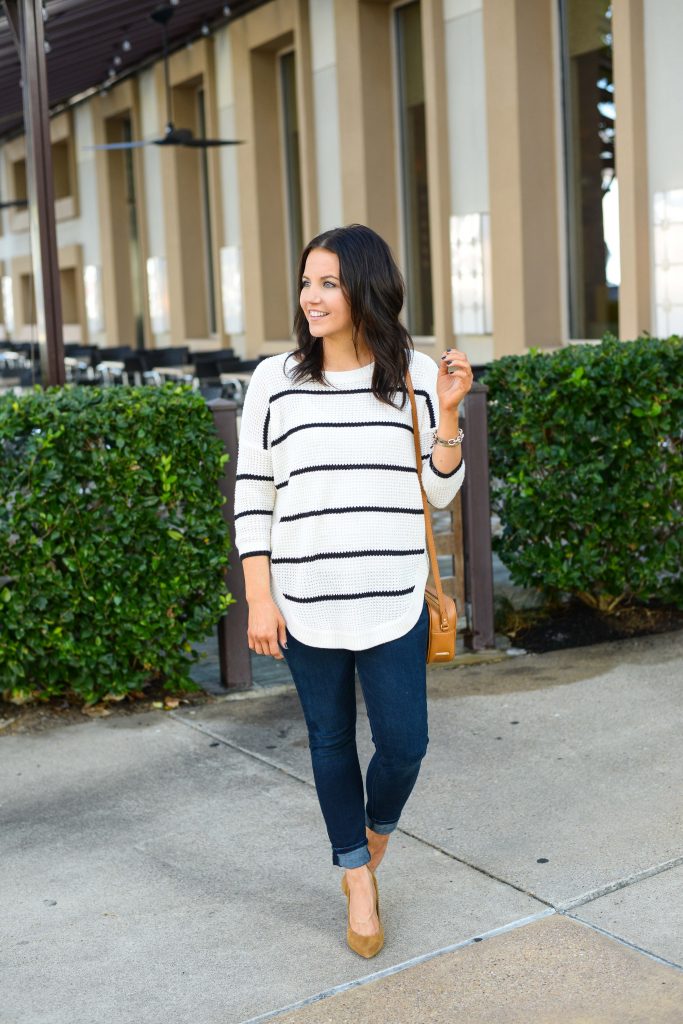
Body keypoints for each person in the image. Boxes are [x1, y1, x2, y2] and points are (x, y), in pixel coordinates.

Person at [233, 223, 472, 958]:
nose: (311, 296)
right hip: (305, 600)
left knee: (404, 745)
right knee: (330, 740)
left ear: (365, 288)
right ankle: (356, 878)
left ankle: (372, 838)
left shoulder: (414, 375)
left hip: (391, 593)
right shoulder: (275, 380)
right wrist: (259, 596)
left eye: (328, 282)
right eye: (306, 282)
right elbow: (252, 492)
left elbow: (437, 493)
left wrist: (451, 413)